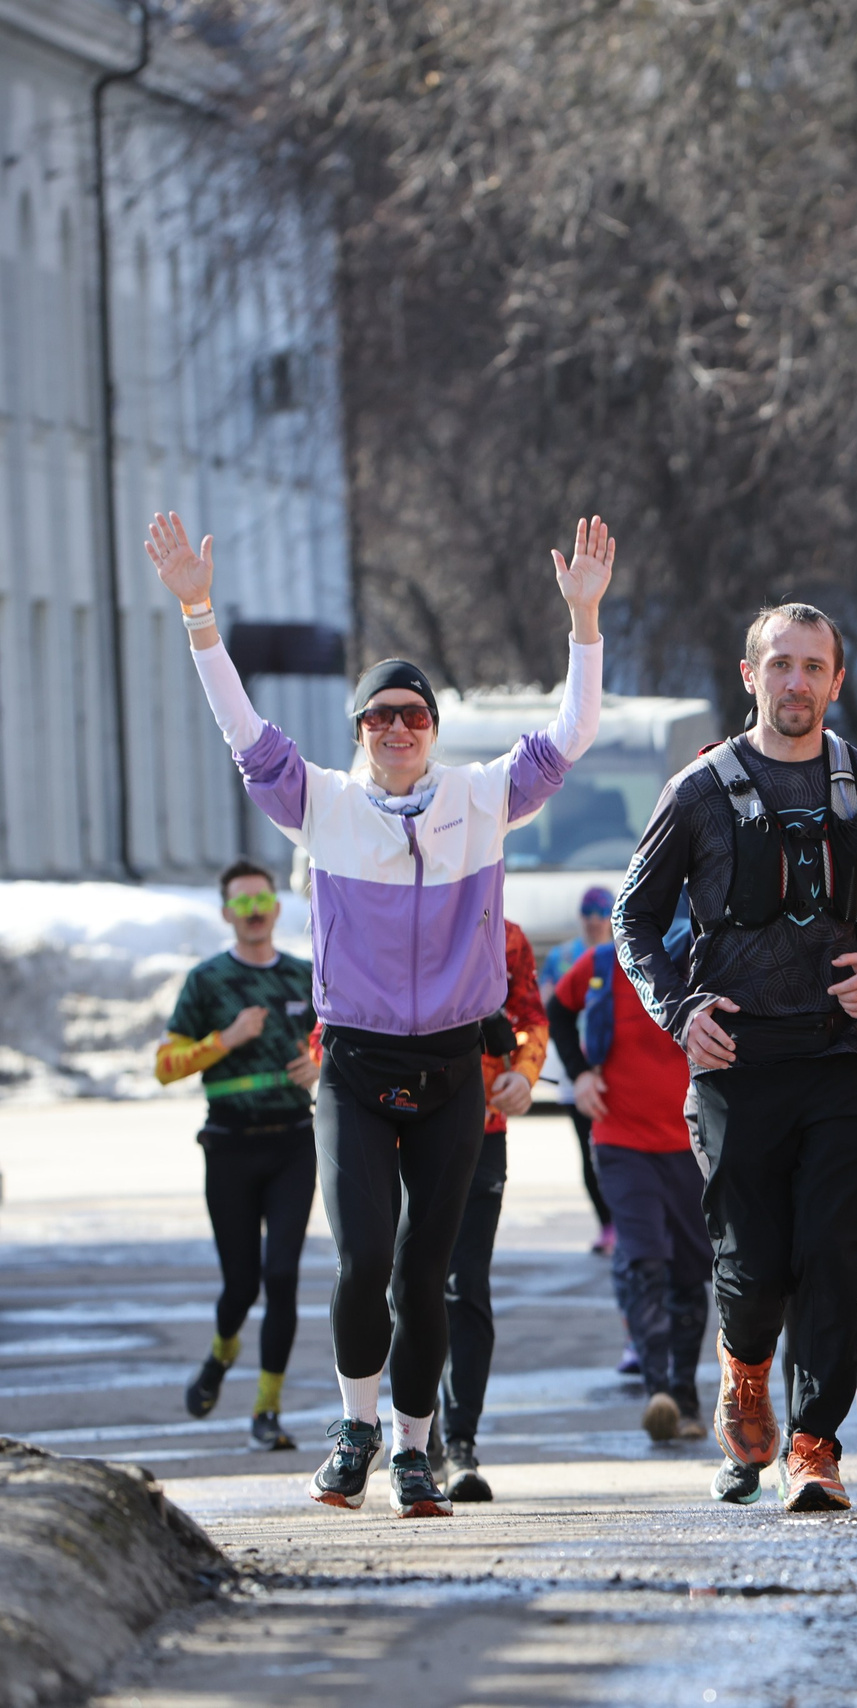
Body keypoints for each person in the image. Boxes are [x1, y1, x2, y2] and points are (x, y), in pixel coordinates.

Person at [148, 510, 611, 1518]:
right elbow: (241, 732)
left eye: (413, 715)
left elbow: (573, 734)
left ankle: (413, 1446)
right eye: (377, 718)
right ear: (357, 732)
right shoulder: (321, 803)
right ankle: (355, 1428)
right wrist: (198, 614)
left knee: (426, 1270)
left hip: (451, 1067)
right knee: (362, 1259)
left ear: (434, 731)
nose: (397, 730)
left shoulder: (484, 799)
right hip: (355, 1063)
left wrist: (583, 623)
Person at [617, 602, 857, 1512]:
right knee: (755, 1268)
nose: (796, 682)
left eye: (813, 667)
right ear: (749, 674)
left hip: (843, 1055)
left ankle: (814, 1445)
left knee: (836, 1256)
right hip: (736, 1060)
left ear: (836, 682)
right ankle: (745, 1368)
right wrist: (680, 1012)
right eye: (781, 665)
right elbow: (632, 918)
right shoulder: (699, 790)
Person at [157, 859, 320, 1450]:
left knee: (282, 1277)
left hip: (292, 1143)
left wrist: (321, 1063)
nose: (253, 914)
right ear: (226, 913)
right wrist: (225, 1040)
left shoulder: (307, 976)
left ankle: (266, 1410)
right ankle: (221, 1353)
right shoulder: (206, 982)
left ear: (277, 909)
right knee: (241, 1284)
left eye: (262, 902)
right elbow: (163, 1068)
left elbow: (344, 1040)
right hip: (227, 1146)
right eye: (241, 905)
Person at [546, 909, 712, 1448]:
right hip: (620, 1142)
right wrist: (579, 1075)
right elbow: (557, 1009)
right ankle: (660, 1391)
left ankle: (685, 1397)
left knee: (690, 1274)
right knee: (645, 1263)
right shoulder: (602, 963)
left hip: (691, 1144)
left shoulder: (703, 957)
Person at [434, 918, 547, 1501]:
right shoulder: (376, 906)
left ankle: (459, 1447)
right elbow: (329, 1020)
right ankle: (412, 1435)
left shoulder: (505, 935)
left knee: (464, 1285)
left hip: (481, 1128)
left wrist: (524, 1074)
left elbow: (530, 1018)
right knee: (399, 1282)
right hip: (394, 1127)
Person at [539, 886, 620, 1256]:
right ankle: (607, 1224)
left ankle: (628, 1220)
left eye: (601, 911)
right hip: (576, 1065)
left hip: (617, 1064)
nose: (593, 919)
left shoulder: (626, 951)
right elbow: (545, 1006)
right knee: (590, 1149)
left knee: (623, 1147)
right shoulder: (562, 956)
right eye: (587, 911)